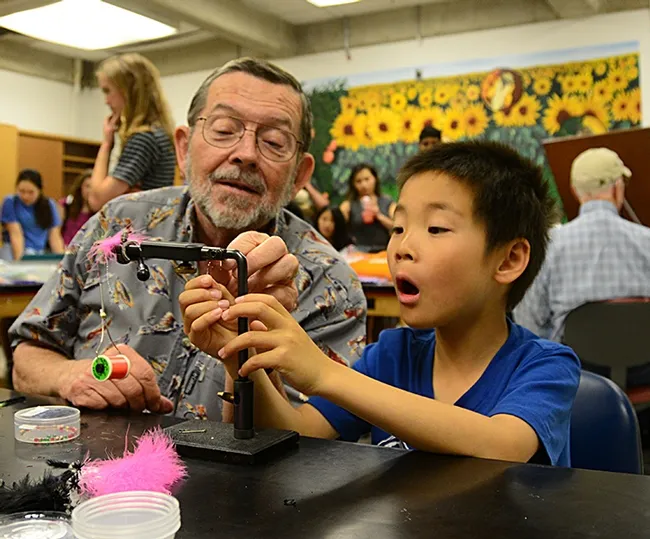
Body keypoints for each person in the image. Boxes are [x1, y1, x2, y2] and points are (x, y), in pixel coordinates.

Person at [181, 141, 581, 466]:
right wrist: (240, 352)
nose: (402, 247)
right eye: (400, 225)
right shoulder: (393, 355)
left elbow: (502, 445)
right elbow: (295, 432)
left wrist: (324, 374)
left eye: (436, 228)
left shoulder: (545, 366)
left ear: (509, 259)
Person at [9, 58, 366, 420]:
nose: (244, 154)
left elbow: (310, 446)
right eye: (225, 129)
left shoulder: (328, 283)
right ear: (183, 148)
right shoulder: (117, 224)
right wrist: (68, 375)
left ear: (300, 175)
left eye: (274, 141)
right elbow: (27, 351)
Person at [514, 148, 650, 381]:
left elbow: (529, 323)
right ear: (618, 188)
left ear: (575, 191)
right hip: (645, 372)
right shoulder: (647, 240)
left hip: (576, 376)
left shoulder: (548, 245)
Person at [88, 53, 176, 212]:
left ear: (129, 91)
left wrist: (106, 144)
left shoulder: (144, 139)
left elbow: (96, 200)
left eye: (108, 91)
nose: (106, 101)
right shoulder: (158, 133)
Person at [0, 169, 64, 261]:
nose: (26, 196)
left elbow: (54, 237)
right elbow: (16, 234)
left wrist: (62, 262)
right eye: (21, 191)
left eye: (31, 192)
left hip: (40, 252)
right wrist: (20, 262)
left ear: (39, 190)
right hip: (14, 250)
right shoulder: (10, 202)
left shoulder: (49, 204)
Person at [340, 164, 396, 252]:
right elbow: (338, 227)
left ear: (375, 179)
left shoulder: (387, 202)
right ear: (353, 184)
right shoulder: (348, 204)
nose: (364, 185)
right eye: (358, 181)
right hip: (358, 251)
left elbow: (397, 227)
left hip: (384, 251)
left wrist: (379, 216)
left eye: (367, 179)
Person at [60, 170, 95, 246]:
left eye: (93, 186)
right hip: (65, 249)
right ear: (80, 187)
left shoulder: (101, 211)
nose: (90, 190)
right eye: (87, 186)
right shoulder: (66, 205)